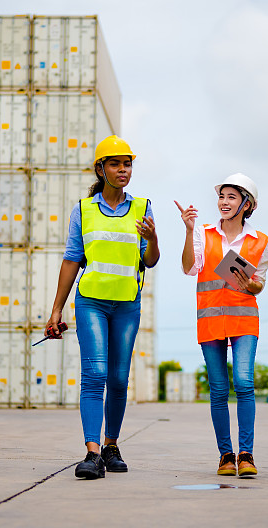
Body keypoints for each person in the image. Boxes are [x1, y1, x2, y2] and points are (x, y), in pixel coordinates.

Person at [44, 135, 159, 480]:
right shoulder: (83, 209)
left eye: (127, 163)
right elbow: (71, 260)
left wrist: (153, 239)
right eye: (115, 163)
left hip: (127, 304)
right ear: (100, 169)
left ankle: (111, 445)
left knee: (120, 379)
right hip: (91, 301)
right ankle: (92, 452)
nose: (123, 170)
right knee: (94, 375)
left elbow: (149, 261)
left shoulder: (142, 207)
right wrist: (56, 311)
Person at [175, 173, 268, 477]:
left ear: (247, 204)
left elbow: (259, 285)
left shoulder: (261, 242)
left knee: (243, 383)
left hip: (244, 319)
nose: (224, 202)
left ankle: (246, 454)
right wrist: (189, 231)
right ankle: (226, 456)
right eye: (222, 197)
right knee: (218, 390)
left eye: (231, 197)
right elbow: (190, 268)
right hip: (210, 319)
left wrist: (250, 284)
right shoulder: (204, 233)